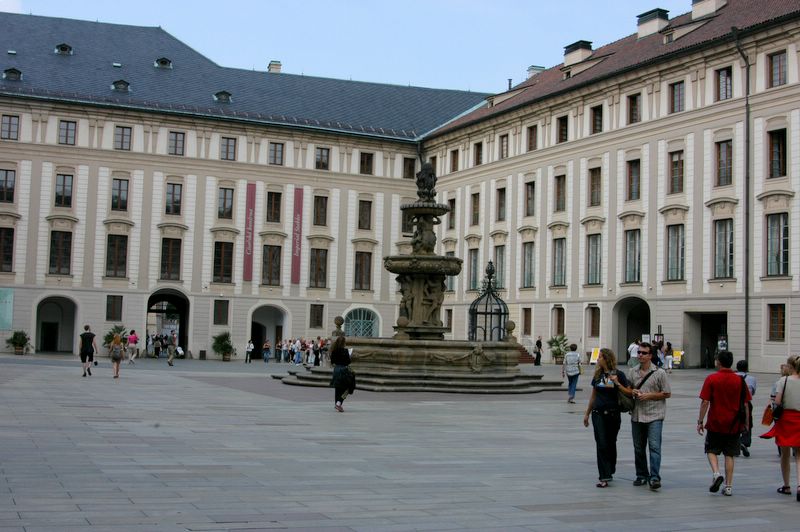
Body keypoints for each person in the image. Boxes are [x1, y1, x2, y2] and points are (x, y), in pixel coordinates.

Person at [617, 341, 671, 491]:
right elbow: (629, 390)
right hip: (637, 415)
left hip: (655, 415)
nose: (640, 355)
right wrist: (632, 391)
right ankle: (641, 475)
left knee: (654, 447)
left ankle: (654, 477)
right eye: (639, 352)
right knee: (638, 448)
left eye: (644, 353)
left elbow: (667, 393)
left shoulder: (659, 373)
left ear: (650, 356)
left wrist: (650, 396)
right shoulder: (632, 371)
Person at [697, 350, 751, 497]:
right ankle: (728, 487)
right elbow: (745, 404)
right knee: (730, 454)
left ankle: (716, 473)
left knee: (711, 450)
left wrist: (700, 421)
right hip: (734, 424)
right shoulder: (739, 380)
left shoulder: (712, 378)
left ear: (718, 362)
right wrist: (746, 423)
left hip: (715, 422)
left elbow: (705, 402)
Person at [583, 348, 629, 488]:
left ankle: (610, 468)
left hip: (613, 413)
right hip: (598, 414)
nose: (598, 359)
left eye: (600, 357)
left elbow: (629, 392)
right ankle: (604, 476)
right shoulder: (598, 375)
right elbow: (594, 395)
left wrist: (617, 383)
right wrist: (587, 413)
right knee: (601, 443)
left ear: (607, 359)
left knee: (611, 443)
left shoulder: (619, 374)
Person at [760, 355, 800, 500]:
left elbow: (776, 401)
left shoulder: (784, 380)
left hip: (786, 419)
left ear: (791, 367)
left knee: (785, 454)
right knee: (799, 455)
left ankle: (787, 485)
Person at [735, 360, 757, 457]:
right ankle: (745, 441)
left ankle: (735, 443)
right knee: (748, 421)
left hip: (734, 402)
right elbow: (753, 392)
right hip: (746, 402)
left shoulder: (733, 376)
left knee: (735, 422)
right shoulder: (752, 378)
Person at [329, 335, 355, 412]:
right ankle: (339, 403)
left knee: (338, 388)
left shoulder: (333, 351)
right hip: (344, 370)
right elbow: (348, 362)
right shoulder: (345, 351)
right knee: (348, 387)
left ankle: (337, 404)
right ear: (344, 343)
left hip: (336, 370)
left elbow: (332, 362)